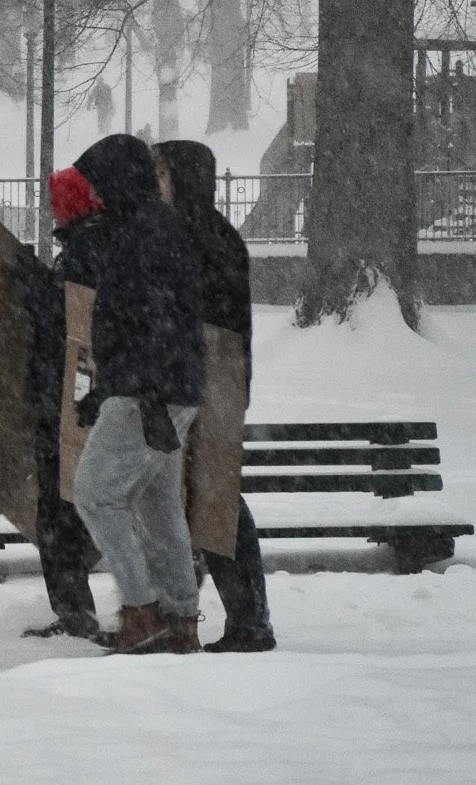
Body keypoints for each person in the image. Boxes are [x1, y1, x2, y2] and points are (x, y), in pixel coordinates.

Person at [68, 133, 207, 655]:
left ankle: (141, 609)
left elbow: (149, 318)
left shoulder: (142, 233)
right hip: (171, 387)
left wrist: (135, 389)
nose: (97, 194)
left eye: (100, 182)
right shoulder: (156, 227)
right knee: (157, 506)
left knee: (95, 494)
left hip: (148, 390)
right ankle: (179, 616)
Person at [156, 139, 276, 653]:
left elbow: (188, 316)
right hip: (217, 380)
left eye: (160, 174)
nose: (154, 184)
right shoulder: (215, 235)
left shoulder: (187, 238)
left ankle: (233, 621)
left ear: (181, 178)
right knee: (208, 502)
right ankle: (214, 617)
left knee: (211, 504)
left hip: (203, 379)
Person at [14, 165, 106, 641]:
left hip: (67, 398)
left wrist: (28, 285)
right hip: (78, 394)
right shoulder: (97, 247)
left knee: (58, 510)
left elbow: (64, 318)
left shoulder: (83, 254)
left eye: (57, 200)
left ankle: (74, 611)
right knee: (68, 506)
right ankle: (77, 608)